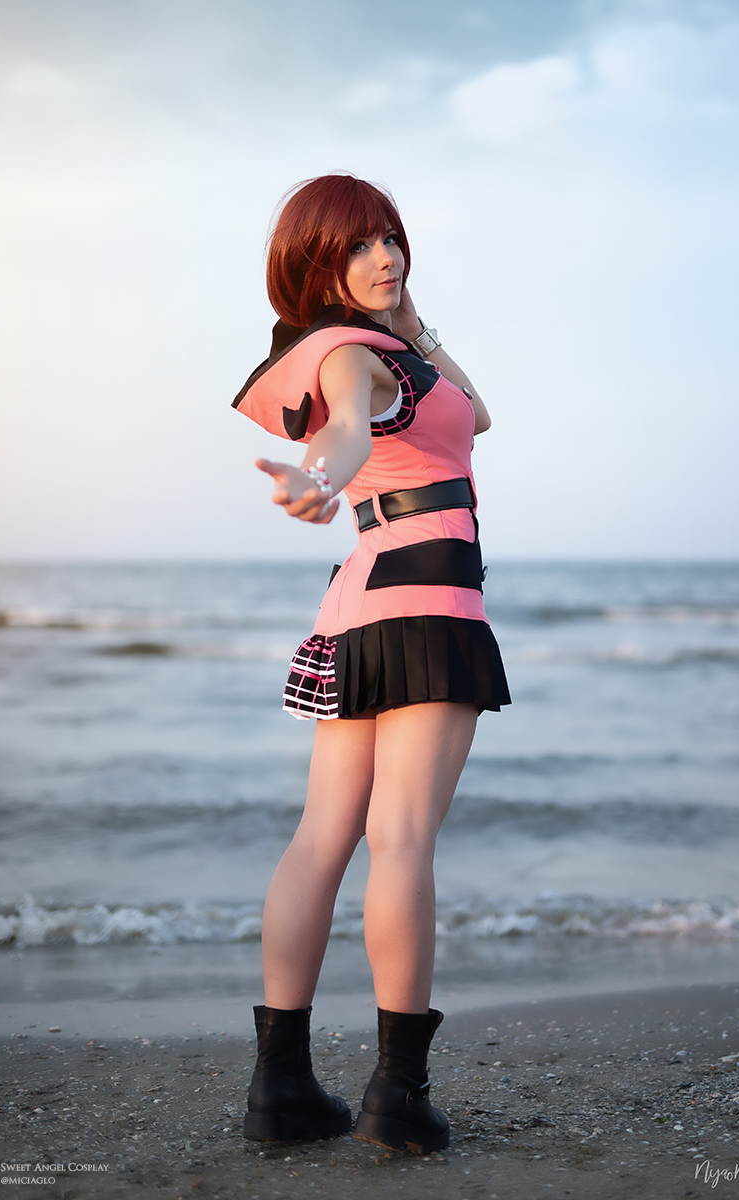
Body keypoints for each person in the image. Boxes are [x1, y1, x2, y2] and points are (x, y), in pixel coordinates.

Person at [232, 173, 510, 1154]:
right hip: (426, 601)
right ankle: (397, 1095)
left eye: (389, 237)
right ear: (317, 264)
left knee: (323, 838)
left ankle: (280, 1090)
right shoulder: (350, 357)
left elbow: (476, 415)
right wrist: (319, 480)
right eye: (357, 246)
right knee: (399, 841)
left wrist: (411, 319)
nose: (384, 256)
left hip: (360, 605)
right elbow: (348, 430)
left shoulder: (378, 348)